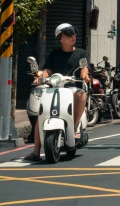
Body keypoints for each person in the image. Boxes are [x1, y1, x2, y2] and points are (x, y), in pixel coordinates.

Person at [25, 24, 90, 162]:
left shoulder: (81, 53)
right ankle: (36, 151)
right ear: (60, 38)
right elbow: (47, 70)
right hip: (54, 87)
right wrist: (40, 77)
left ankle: (74, 128)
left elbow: (84, 68)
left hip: (72, 86)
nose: (73, 36)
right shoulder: (54, 53)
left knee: (81, 95)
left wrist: (84, 76)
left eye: (74, 33)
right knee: (41, 115)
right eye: (69, 34)